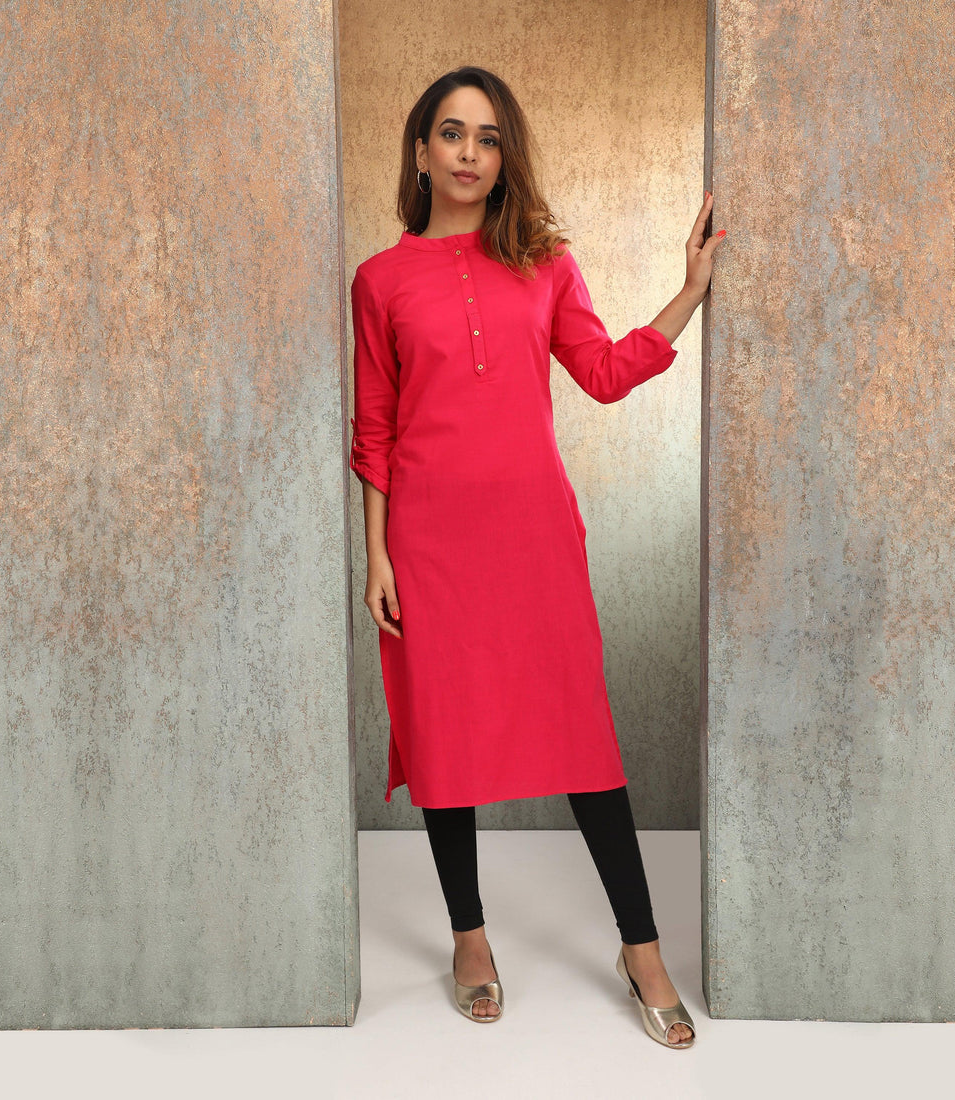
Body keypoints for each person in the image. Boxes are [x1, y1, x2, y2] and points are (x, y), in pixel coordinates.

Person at [349, 65, 724, 1049]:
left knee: (582, 738)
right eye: (451, 133)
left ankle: (641, 949)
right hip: (428, 542)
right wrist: (376, 554)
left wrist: (688, 292)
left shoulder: (545, 262)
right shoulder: (379, 281)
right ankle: (469, 939)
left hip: (533, 537)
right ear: (420, 150)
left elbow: (601, 372)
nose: (469, 153)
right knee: (443, 738)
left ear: (504, 155)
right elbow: (375, 428)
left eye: (487, 137)